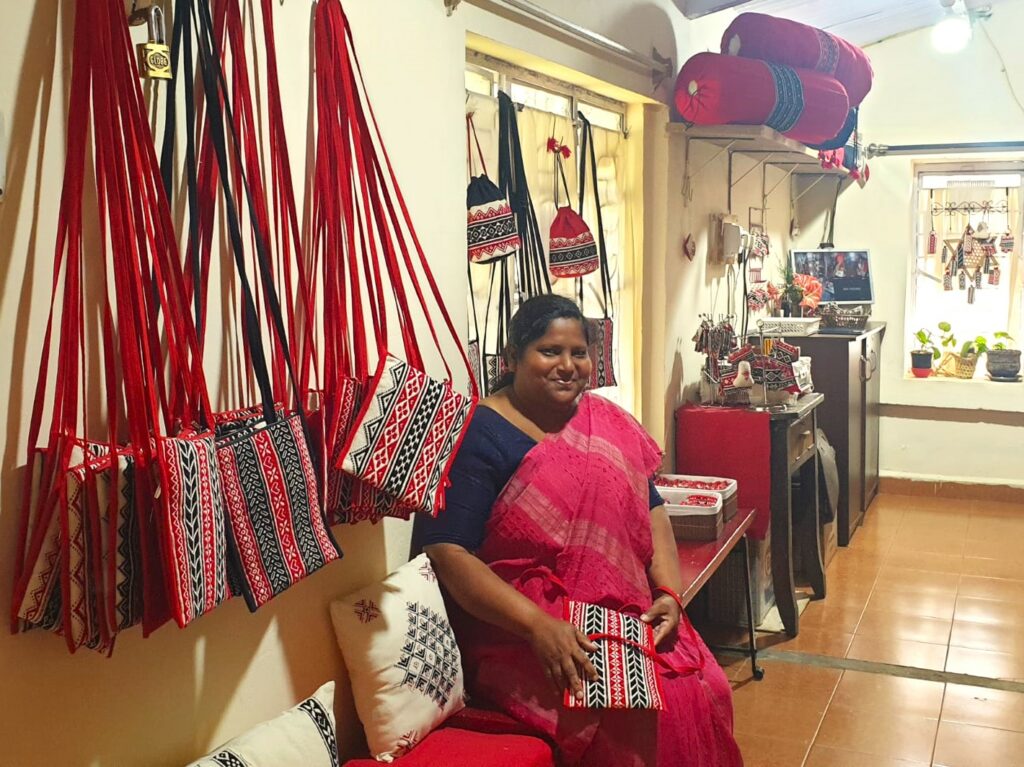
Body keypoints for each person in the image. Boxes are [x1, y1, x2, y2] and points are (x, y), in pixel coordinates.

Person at [416, 294, 742, 767]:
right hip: (519, 628)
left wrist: (670, 592)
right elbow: (448, 552)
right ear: (512, 358)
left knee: (704, 683)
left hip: (618, 610)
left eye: (579, 353)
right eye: (550, 351)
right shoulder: (480, 432)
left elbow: (651, 510)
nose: (567, 366)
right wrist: (538, 627)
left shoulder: (606, 422)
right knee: (646, 715)